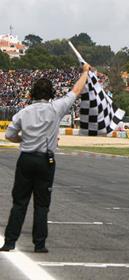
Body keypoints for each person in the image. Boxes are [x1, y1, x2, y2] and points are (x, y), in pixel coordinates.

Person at [0, 63, 91, 253]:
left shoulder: (23, 112)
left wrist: (22, 139)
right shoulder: (56, 108)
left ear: (31, 94)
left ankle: (9, 242)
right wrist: (85, 72)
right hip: (45, 160)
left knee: (19, 203)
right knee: (42, 205)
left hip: (26, 158)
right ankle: (39, 244)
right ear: (51, 94)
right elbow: (75, 90)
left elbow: (9, 136)